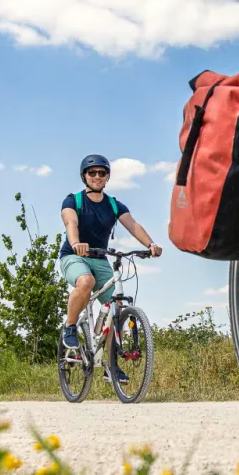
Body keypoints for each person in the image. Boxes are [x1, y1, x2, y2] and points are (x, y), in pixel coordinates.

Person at [59, 154, 162, 384]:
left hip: (100, 259)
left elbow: (133, 225)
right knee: (86, 282)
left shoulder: (114, 204)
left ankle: (110, 365)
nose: (97, 176)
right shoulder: (73, 200)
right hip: (74, 256)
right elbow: (70, 223)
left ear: (107, 177)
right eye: (92, 173)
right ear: (84, 176)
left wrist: (150, 245)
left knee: (117, 306)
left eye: (101, 173)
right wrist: (76, 243)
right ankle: (70, 327)